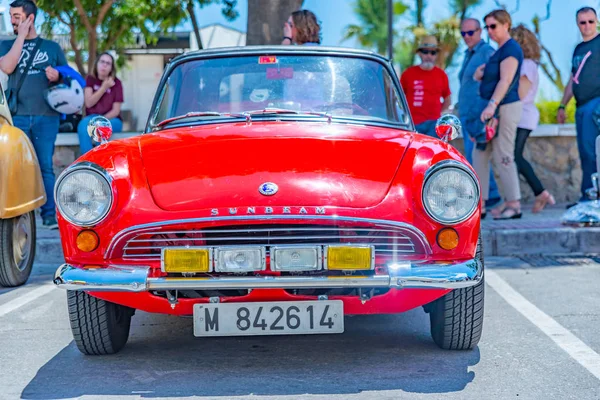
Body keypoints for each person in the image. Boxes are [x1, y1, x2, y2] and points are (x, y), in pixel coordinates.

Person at [0, 0, 68, 229]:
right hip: (17, 115)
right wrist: (21, 34)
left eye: (17, 16)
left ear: (30, 18)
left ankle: (49, 216)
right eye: (11, 16)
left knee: (45, 166)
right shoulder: (5, 44)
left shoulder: (52, 48)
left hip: (46, 116)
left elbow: (67, 79)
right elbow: (7, 67)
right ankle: (19, 218)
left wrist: (57, 76)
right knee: (16, 167)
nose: (12, 20)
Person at [472, 9, 523, 219]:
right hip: (492, 112)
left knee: (504, 155)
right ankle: (479, 205)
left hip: (504, 108)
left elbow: (506, 80)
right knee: (480, 153)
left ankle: (514, 205)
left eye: (493, 26)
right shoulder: (499, 50)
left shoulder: (511, 49)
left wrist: (492, 105)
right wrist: (480, 74)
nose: (489, 31)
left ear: (506, 25)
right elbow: (493, 77)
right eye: (487, 27)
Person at [457, 17, 503, 212]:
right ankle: (489, 196)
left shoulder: (486, 53)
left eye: (471, 32)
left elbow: (495, 81)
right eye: (463, 33)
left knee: (478, 157)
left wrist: (490, 111)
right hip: (467, 114)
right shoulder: (469, 54)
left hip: (479, 114)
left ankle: (491, 196)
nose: (467, 37)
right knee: (473, 156)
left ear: (479, 32)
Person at [510, 24, 556, 213]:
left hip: (523, 116)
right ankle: (540, 194)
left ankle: (541, 192)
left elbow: (520, 94)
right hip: (521, 116)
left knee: (515, 157)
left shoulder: (527, 65)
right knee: (514, 157)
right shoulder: (524, 64)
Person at [557, 6, 600, 204]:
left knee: (592, 151)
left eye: (591, 21)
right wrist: (562, 105)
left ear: (596, 21)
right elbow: (573, 80)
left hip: (596, 103)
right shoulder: (578, 49)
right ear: (577, 24)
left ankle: (590, 198)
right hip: (581, 106)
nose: (587, 26)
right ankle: (588, 195)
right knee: (585, 153)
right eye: (583, 22)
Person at [400, 35, 451, 137]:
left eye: (433, 52)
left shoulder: (441, 75)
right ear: (419, 53)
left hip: (434, 125)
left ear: (436, 55)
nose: (429, 55)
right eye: (425, 52)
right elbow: (398, 98)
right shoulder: (408, 74)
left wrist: (439, 114)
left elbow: (448, 99)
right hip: (412, 125)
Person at [77, 51, 124, 154]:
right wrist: (104, 87)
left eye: (108, 63)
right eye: (102, 61)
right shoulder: (90, 79)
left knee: (102, 128)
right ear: (97, 64)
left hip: (112, 119)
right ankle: (88, 161)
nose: (104, 65)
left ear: (112, 68)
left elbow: (116, 110)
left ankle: (100, 161)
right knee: (82, 126)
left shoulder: (117, 83)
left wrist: (101, 121)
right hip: (92, 117)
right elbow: (89, 103)